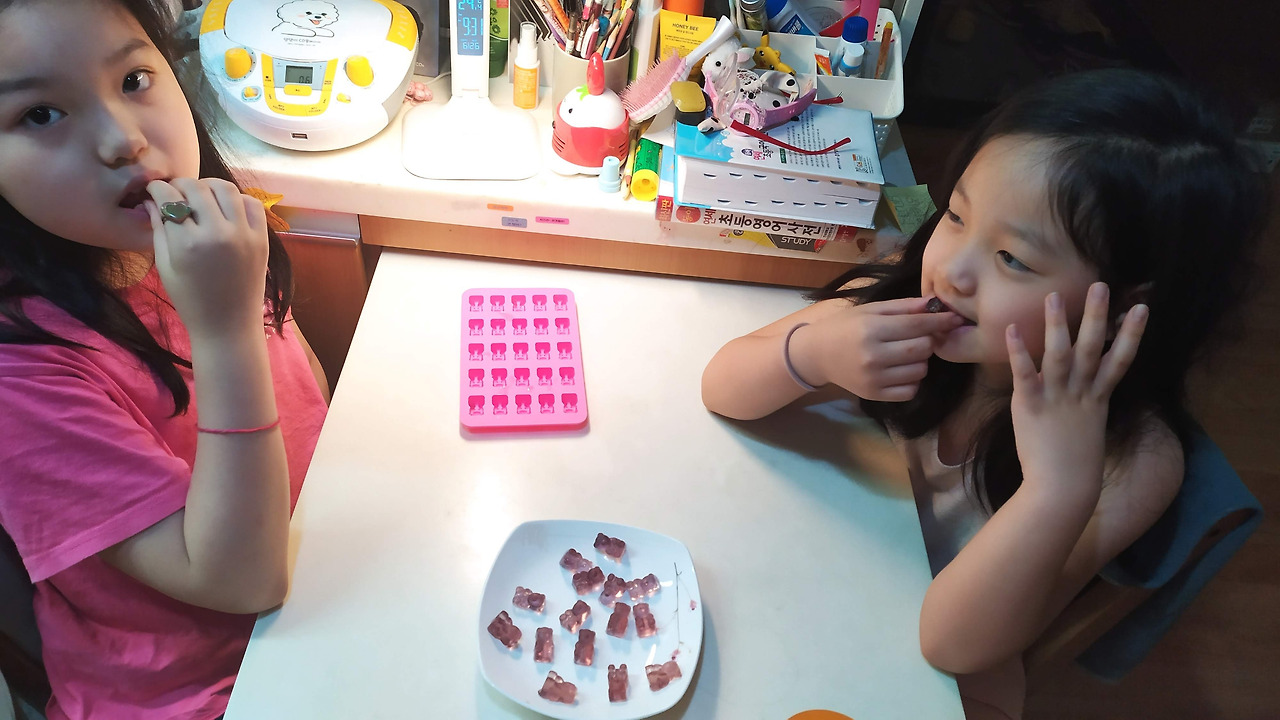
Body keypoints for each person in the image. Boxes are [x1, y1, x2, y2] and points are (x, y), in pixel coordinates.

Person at [702, 69, 1269, 720]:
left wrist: (1058, 488)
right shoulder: (905, 297)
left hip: (932, 674)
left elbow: (953, 647)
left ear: (1121, 308)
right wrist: (811, 352)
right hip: (823, 573)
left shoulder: (1133, 459)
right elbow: (722, 387)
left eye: (1013, 259)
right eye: (956, 214)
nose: (951, 269)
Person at [0, 1, 330, 718]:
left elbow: (309, 401)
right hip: (198, 691)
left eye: (134, 79)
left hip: (318, 592)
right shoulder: (21, 375)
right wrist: (225, 329)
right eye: (40, 115)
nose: (123, 140)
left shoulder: (196, 234)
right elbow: (240, 583)